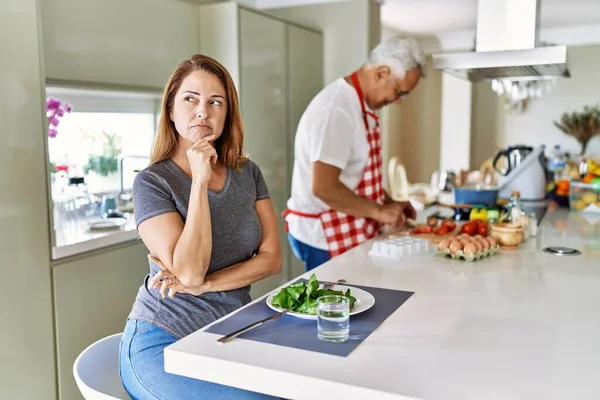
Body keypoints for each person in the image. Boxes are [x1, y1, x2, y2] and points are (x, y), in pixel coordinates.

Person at [119, 54, 282, 400]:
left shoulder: (247, 173)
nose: (202, 112)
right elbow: (189, 272)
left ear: (227, 113)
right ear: (171, 110)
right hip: (162, 340)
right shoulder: (152, 183)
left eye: (215, 102)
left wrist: (208, 285)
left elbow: (271, 259)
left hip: (229, 334)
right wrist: (199, 182)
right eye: (190, 99)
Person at [283, 36, 425, 271]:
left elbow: (355, 176)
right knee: (334, 306)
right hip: (322, 234)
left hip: (341, 224)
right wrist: (379, 211)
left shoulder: (359, 105)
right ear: (381, 73)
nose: (398, 101)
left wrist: (389, 202)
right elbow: (324, 187)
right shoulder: (336, 109)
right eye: (399, 92)